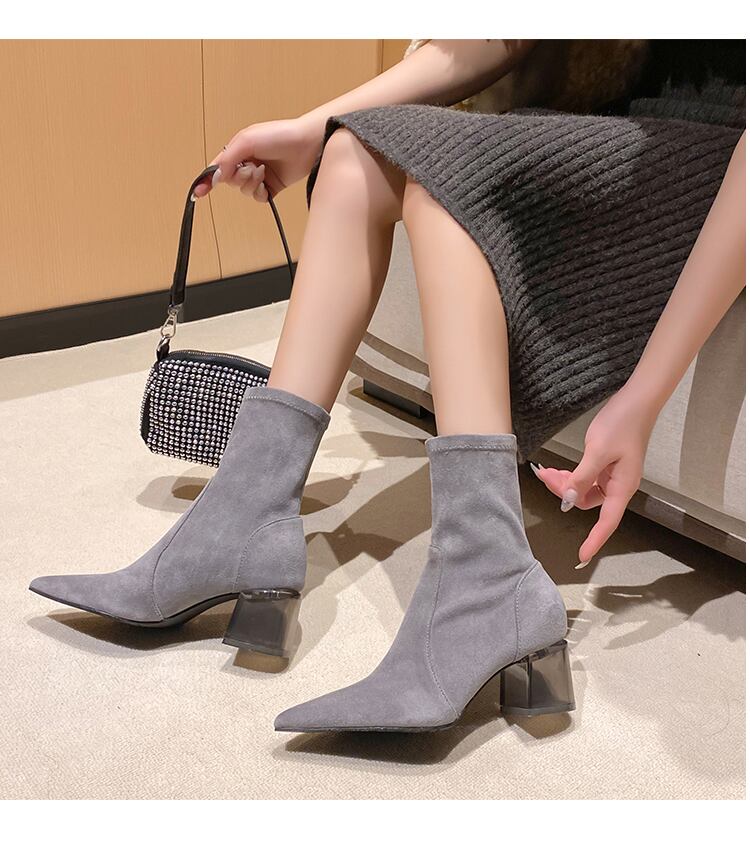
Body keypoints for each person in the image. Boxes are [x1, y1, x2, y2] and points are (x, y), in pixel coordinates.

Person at [30, 40, 745, 733]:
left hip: (718, 156)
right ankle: (244, 517)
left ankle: (486, 578)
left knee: (448, 185)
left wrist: (642, 396)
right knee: (350, 155)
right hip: (610, 121)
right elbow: (501, 34)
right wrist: (313, 128)